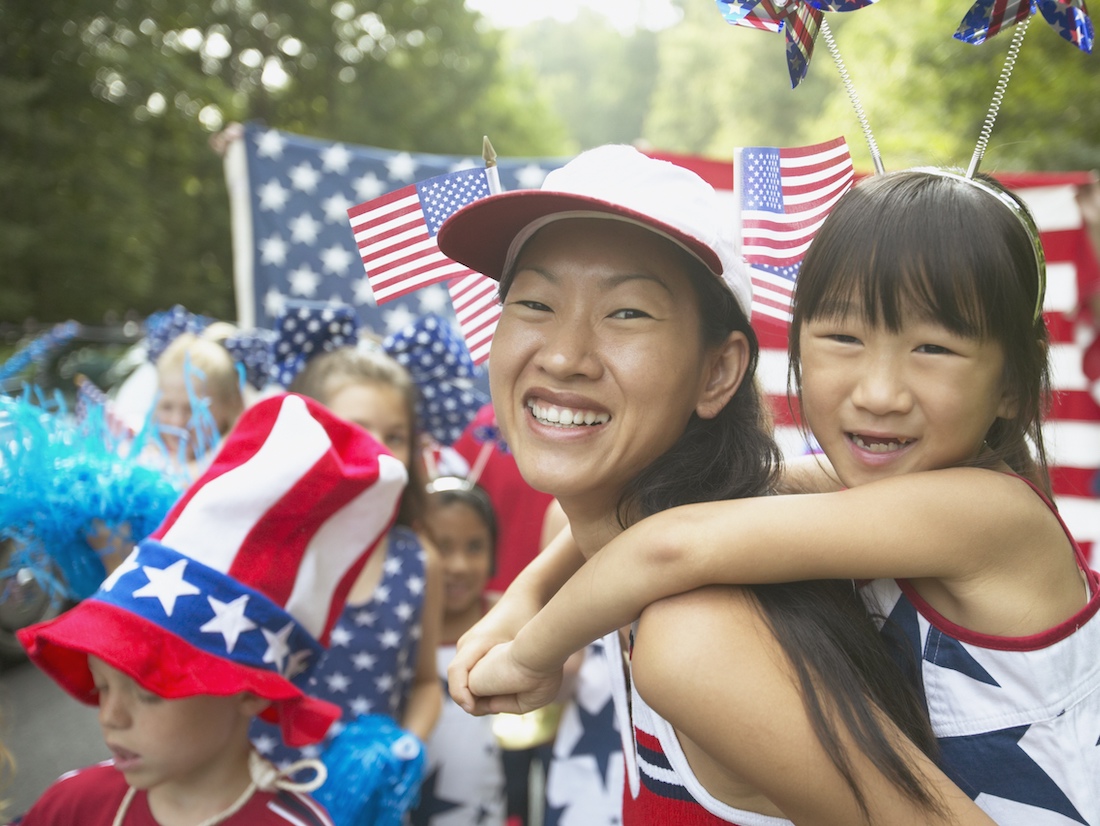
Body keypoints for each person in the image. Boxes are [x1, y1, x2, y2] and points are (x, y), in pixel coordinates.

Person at [452, 167, 1100, 824]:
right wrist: (523, 604)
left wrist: (531, 650)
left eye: (934, 347)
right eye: (844, 337)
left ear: (723, 370)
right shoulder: (881, 496)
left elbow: (669, 545)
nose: (879, 391)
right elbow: (668, 523)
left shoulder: (984, 510)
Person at [11, 392, 408, 826]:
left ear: (251, 691)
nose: (110, 716)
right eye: (102, 685)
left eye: (147, 691)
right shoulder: (73, 806)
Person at [250, 332, 445, 783]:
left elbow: (425, 683)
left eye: (395, 435)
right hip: (257, 796)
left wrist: (403, 751)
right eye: (354, 429)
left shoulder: (418, 561)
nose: (377, 448)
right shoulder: (259, 546)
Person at [408, 477, 508, 826]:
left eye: (475, 547)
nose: (458, 566)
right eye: (442, 546)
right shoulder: (400, 631)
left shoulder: (509, 622)